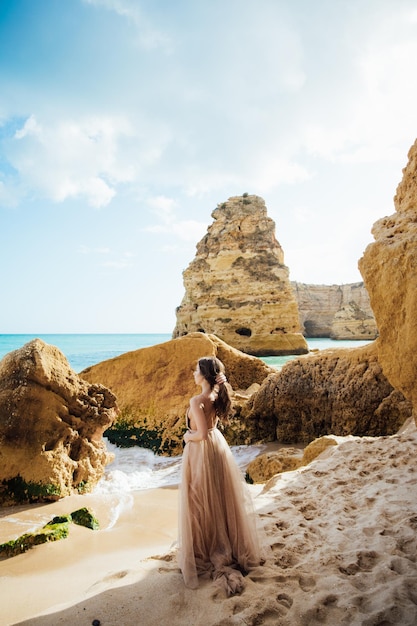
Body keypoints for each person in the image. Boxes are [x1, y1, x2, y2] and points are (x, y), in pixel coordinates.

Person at [178, 356, 261, 596]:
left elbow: (200, 434)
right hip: (217, 446)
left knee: (198, 500)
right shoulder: (216, 393)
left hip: (201, 450)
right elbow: (210, 430)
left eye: (196, 370)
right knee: (219, 498)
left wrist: (187, 437)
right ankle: (226, 544)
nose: (193, 373)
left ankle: (205, 548)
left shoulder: (197, 400)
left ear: (203, 374)